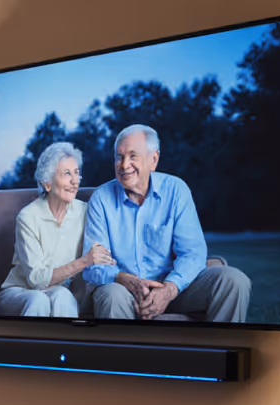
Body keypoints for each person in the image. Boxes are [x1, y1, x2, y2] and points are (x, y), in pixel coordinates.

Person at [80, 124, 251, 321]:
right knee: (112, 294)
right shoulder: (101, 199)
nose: (124, 165)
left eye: (133, 156)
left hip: (175, 288)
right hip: (125, 291)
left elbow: (192, 253)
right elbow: (93, 264)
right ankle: (125, 343)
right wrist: (123, 279)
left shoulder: (176, 190)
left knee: (234, 281)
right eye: (119, 157)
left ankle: (220, 343)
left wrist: (170, 288)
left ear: (153, 160)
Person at [0, 141, 115, 317]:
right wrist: (84, 261)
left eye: (76, 173)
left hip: (58, 291)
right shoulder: (27, 217)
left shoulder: (85, 212)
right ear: (47, 183)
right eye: (67, 173)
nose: (75, 181)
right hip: (20, 292)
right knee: (39, 300)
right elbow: (37, 281)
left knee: (63, 296)